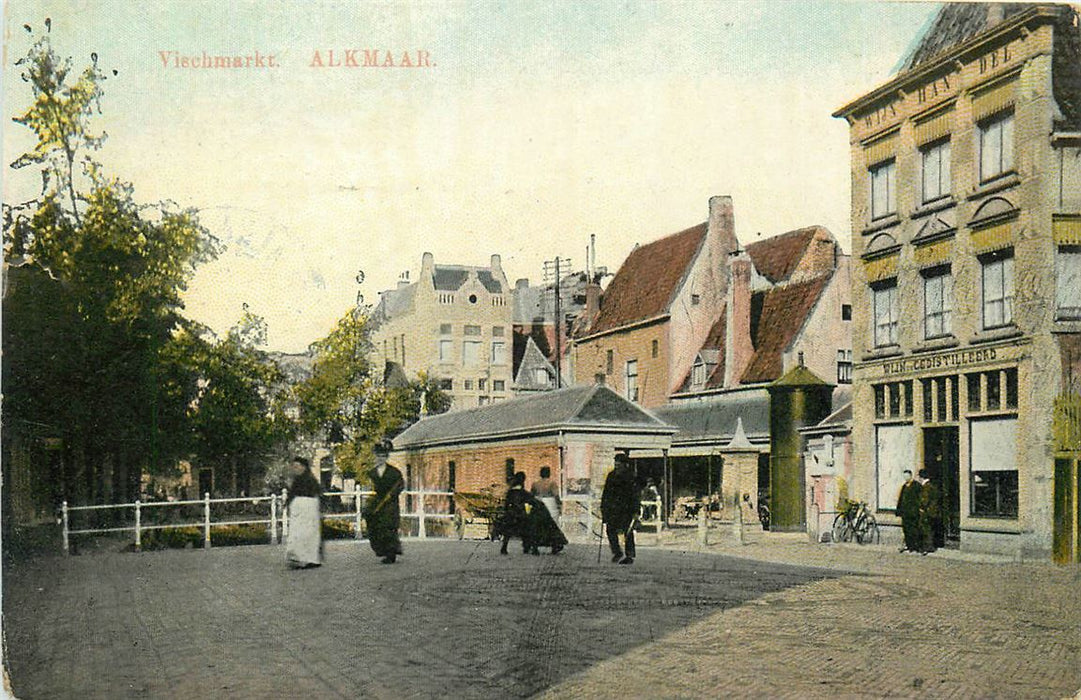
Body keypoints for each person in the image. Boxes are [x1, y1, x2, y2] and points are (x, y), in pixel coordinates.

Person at [364, 438, 404, 564]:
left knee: (388, 527)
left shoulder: (394, 472)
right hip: (377, 503)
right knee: (375, 526)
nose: (380, 458)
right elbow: (369, 488)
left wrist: (392, 495)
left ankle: (391, 553)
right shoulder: (372, 473)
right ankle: (381, 550)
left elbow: (400, 485)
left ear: (386, 457)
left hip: (390, 504)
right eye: (378, 456)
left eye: (383, 456)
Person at [284, 456, 323, 569]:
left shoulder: (310, 479)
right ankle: (298, 557)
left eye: (297, 466)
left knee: (309, 533)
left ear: (304, 467)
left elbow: (317, 492)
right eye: (294, 467)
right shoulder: (297, 480)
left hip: (308, 508)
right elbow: (292, 494)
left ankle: (309, 558)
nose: (295, 469)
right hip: (299, 508)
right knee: (298, 532)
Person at [601, 452, 638, 564]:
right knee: (610, 530)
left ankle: (629, 555)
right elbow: (606, 492)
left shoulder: (630, 476)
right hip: (612, 508)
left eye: (619, 463)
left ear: (624, 464)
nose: (617, 465)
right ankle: (617, 552)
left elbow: (635, 494)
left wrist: (636, 510)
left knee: (627, 531)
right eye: (616, 462)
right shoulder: (611, 475)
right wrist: (603, 507)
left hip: (626, 509)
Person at [529, 469, 567, 555]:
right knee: (552, 525)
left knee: (538, 526)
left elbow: (531, 495)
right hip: (550, 503)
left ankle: (535, 545)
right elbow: (556, 495)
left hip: (538, 503)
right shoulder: (552, 483)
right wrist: (559, 504)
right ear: (549, 474)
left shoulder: (535, 484)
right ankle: (554, 545)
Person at [499, 471, 535, 555]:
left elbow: (506, 505)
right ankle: (528, 546)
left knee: (508, 531)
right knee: (529, 526)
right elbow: (530, 503)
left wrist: (507, 512)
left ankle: (504, 546)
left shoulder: (510, 492)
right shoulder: (524, 493)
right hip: (521, 515)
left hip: (511, 515)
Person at [896, 469, 922, 553]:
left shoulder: (916, 485)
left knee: (914, 529)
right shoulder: (904, 486)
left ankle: (916, 546)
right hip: (905, 512)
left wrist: (918, 509)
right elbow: (901, 499)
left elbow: (920, 498)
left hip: (913, 512)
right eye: (904, 476)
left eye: (907, 476)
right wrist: (899, 511)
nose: (905, 478)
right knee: (906, 529)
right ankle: (909, 545)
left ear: (911, 476)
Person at [918, 469, 942, 555]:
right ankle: (931, 546)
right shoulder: (932, 485)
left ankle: (928, 547)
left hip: (926, 511)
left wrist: (920, 507)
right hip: (933, 511)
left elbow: (924, 500)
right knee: (930, 529)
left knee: (926, 529)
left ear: (921, 477)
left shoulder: (926, 487)